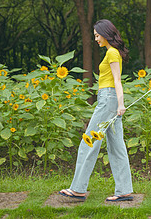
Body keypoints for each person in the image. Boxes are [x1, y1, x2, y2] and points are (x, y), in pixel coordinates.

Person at [59, 19, 133, 202]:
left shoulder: (112, 53)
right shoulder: (111, 52)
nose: (96, 39)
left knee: (89, 141)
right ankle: (124, 191)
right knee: (116, 146)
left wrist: (120, 104)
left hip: (108, 100)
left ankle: (78, 189)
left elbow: (117, 80)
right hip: (109, 99)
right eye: (94, 36)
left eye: (97, 35)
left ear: (106, 34)